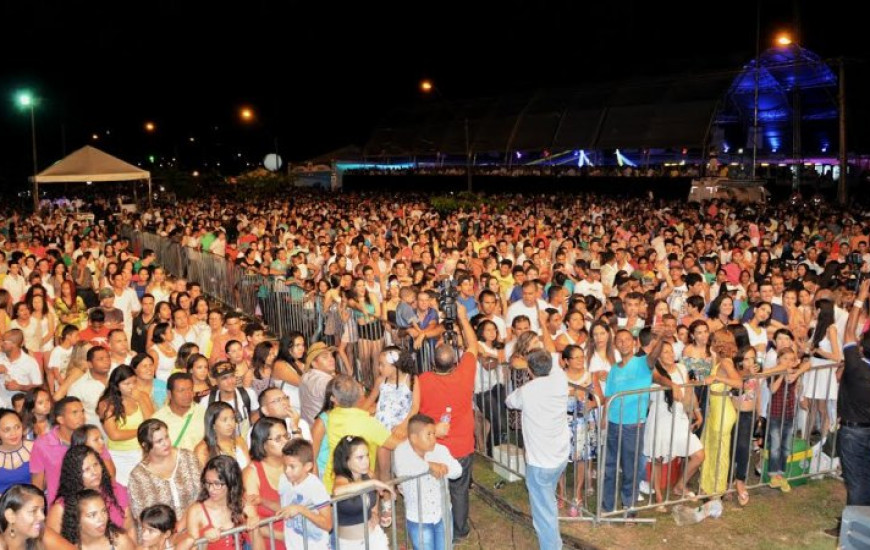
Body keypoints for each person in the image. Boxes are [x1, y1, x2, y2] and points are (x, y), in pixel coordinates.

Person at [417, 303, 478, 541]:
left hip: (434, 447)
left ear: (433, 363)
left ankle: (439, 526)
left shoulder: (422, 380)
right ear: (455, 362)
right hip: (462, 447)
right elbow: (473, 346)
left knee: (436, 489)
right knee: (460, 490)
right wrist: (463, 318)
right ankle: (459, 530)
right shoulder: (465, 373)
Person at [504, 349, 569, 549]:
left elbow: (509, 401)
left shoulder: (527, 391)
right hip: (560, 456)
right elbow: (552, 357)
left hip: (540, 462)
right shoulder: (560, 380)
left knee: (543, 510)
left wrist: (525, 371)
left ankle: (552, 546)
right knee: (547, 501)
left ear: (530, 369)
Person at [601, 327, 667, 514]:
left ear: (635, 343)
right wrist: (605, 418)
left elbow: (654, 355)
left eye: (627, 340)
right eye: (619, 340)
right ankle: (607, 506)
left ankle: (629, 506)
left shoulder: (642, 363)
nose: (623, 343)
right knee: (610, 466)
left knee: (631, 467)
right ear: (615, 345)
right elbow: (609, 396)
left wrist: (660, 339)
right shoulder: (614, 369)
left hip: (633, 424)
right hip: (614, 422)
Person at [827, 277, 870, 537]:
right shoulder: (857, 365)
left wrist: (859, 298)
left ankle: (855, 528)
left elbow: (848, 331)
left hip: (854, 433)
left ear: (862, 348)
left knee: (854, 480)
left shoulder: (855, 366)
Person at [393, 414, 462, 550]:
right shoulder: (402, 451)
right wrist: (430, 466)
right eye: (428, 434)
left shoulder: (440, 450)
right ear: (413, 438)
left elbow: (457, 471)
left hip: (442, 514)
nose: (433, 439)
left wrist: (443, 468)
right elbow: (404, 469)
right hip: (418, 519)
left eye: (434, 434)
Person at [30, 397, 111, 504]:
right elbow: (37, 485)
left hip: (94, 503)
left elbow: (111, 473)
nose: (81, 416)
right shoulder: (42, 444)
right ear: (60, 419)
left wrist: (94, 451)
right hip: (61, 506)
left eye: (82, 411)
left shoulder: (92, 437)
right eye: (75, 412)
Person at [127, 419, 201, 532]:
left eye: (166, 437)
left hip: (197, 528)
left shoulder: (188, 458)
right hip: (161, 538)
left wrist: (184, 523)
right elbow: (142, 516)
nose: (166, 443)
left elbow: (203, 494)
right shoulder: (138, 476)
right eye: (159, 441)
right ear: (145, 445)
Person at [46, 445, 134, 537]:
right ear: (74, 474)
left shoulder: (116, 490)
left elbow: (129, 528)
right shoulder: (62, 508)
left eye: (96, 465)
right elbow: (51, 542)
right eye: (87, 469)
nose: (94, 472)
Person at [698, 330, 743, 497]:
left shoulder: (726, 362)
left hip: (723, 411)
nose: (711, 342)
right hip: (716, 409)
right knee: (711, 448)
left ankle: (717, 490)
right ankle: (708, 486)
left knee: (720, 452)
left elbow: (738, 383)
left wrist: (718, 379)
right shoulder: (720, 361)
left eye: (714, 340)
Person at [331, 436, 394, 550]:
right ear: (346, 460)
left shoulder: (368, 475)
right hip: (349, 545)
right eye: (360, 457)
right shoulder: (342, 479)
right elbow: (337, 491)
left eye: (367, 456)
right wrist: (373, 483)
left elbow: (375, 493)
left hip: (374, 539)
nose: (366, 461)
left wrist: (374, 512)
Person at [185, 456, 259, 550]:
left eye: (217, 484)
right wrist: (204, 541)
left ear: (231, 484)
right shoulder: (196, 511)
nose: (211, 489)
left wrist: (255, 529)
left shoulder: (245, 506)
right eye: (207, 483)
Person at [98, 365, 154, 486]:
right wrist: (140, 431)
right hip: (119, 455)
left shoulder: (142, 396)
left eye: (134, 382)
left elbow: (151, 423)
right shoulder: (107, 403)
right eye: (126, 384)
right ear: (116, 385)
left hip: (142, 451)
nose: (131, 387)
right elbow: (114, 434)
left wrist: (140, 399)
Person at [242, 418, 290, 550]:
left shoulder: (293, 464)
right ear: (263, 444)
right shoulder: (252, 473)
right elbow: (251, 523)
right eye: (278, 438)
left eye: (286, 436)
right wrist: (285, 536)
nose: (286, 441)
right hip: (267, 544)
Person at [276, 439, 333, 550]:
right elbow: (284, 508)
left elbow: (328, 525)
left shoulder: (315, 486)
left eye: (292, 466)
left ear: (307, 466)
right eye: (284, 466)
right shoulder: (283, 480)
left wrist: (301, 510)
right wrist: (263, 501)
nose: (287, 470)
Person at [59, 489, 135, 550]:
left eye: (104, 511)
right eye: (92, 515)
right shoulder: (65, 546)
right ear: (76, 519)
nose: (101, 519)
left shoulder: (119, 541)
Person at [152, 373, 206, 452]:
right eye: (181, 390)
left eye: (190, 389)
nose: (187, 394)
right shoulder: (158, 419)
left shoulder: (204, 413)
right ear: (169, 394)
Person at [194, 402, 250, 469]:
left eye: (232, 418)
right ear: (213, 424)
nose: (230, 423)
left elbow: (249, 469)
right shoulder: (203, 449)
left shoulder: (240, 440)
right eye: (224, 420)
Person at [0, 484, 50, 550]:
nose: (42, 517)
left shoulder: (41, 532)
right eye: (33, 511)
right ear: (11, 516)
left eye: (42, 510)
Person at [0, 409, 33, 495]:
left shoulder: (35, 448)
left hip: (32, 501)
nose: (14, 433)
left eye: (17, 427)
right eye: (7, 430)